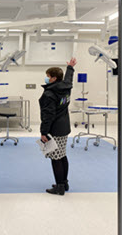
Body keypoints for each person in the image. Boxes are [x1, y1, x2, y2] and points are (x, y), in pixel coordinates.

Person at [39, 57, 77, 196]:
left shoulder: (50, 94)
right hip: (64, 127)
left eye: (48, 76)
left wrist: (44, 132)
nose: (46, 78)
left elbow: (48, 115)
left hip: (54, 129)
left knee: (55, 158)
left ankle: (59, 187)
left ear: (54, 78)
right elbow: (69, 79)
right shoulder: (66, 87)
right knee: (62, 155)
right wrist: (70, 68)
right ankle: (64, 182)